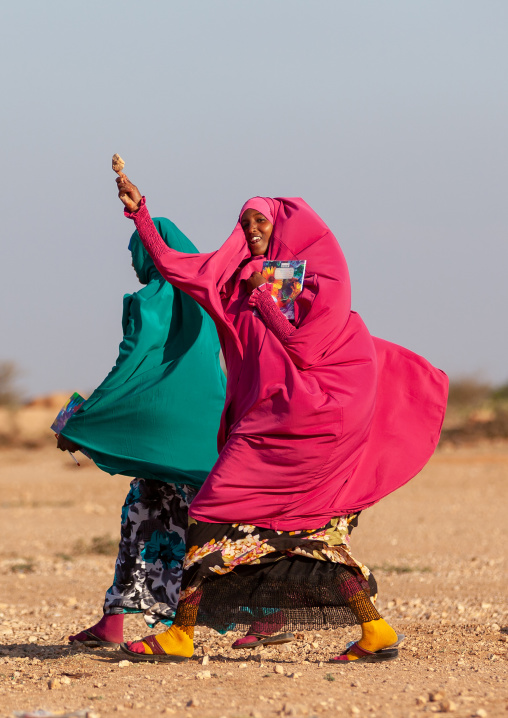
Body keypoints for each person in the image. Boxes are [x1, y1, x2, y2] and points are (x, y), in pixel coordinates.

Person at [115, 177, 448, 664]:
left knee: (208, 513)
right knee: (306, 533)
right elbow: (176, 266)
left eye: (261, 222)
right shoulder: (234, 278)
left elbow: (306, 348)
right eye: (246, 223)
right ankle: (375, 629)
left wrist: (264, 297)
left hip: (309, 417)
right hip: (277, 418)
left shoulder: (304, 278)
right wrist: (140, 212)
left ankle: (181, 634)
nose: (251, 230)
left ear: (280, 226)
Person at [56, 218, 226, 645]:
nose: (134, 262)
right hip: (209, 426)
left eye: (137, 251)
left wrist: (85, 418)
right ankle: (118, 619)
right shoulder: (208, 299)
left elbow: (129, 363)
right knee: (192, 519)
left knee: (145, 517)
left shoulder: (150, 299)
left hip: (161, 426)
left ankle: (163, 625)